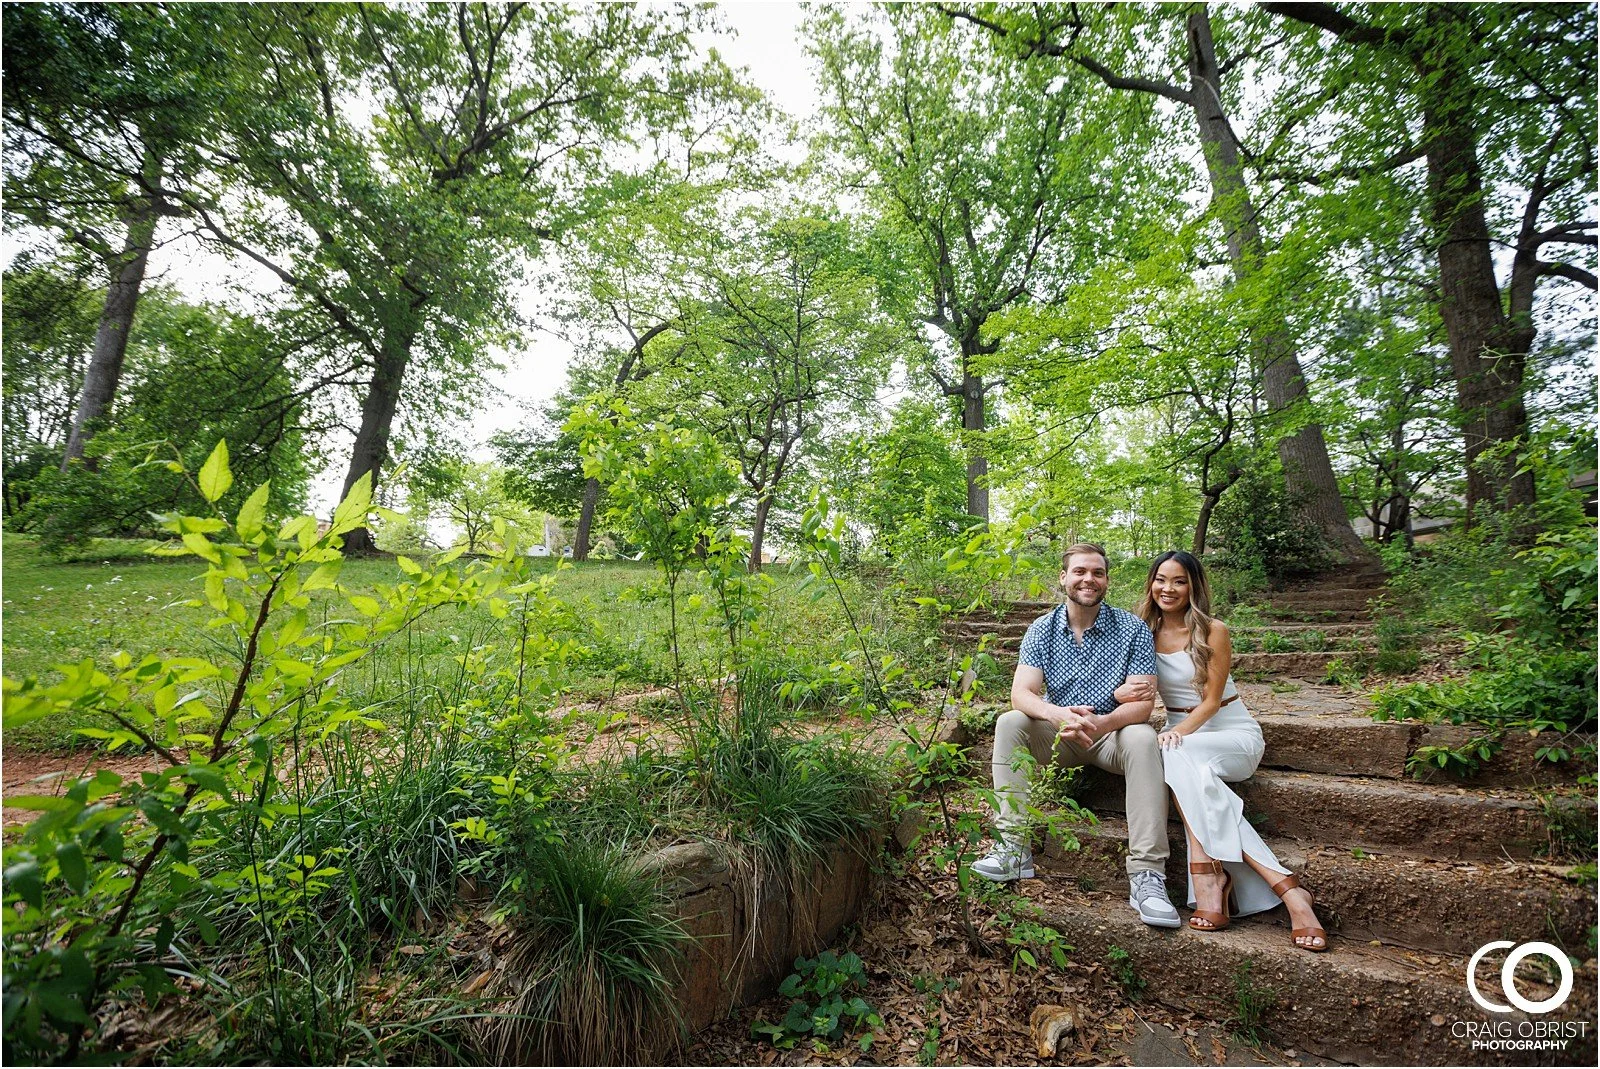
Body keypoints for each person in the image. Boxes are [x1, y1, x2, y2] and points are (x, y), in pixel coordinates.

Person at [1115, 550, 1329, 951]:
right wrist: (1121, 692)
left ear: (1193, 586)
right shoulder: (1139, 631)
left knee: (1174, 754)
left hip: (1230, 732)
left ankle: (1209, 877)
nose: (1168, 588)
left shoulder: (1213, 629)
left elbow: (1211, 703)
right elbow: (1122, 686)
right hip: (1182, 738)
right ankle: (1287, 890)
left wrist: (1173, 734)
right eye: (1161, 579)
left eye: (1179, 581)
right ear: (1150, 583)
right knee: (1181, 761)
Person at [974, 543, 1182, 930]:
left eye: (1098, 573)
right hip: (1059, 733)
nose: (1089, 579)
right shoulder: (1043, 628)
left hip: (1111, 735)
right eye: (1080, 572)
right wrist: (1057, 714)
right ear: (1064, 578)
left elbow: (1142, 703)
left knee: (1141, 737)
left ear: (1106, 580)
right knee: (1010, 722)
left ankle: (1147, 877)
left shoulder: (1132, 628)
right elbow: (1022, 693)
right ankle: (1013, 848)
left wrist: (1100, 723)